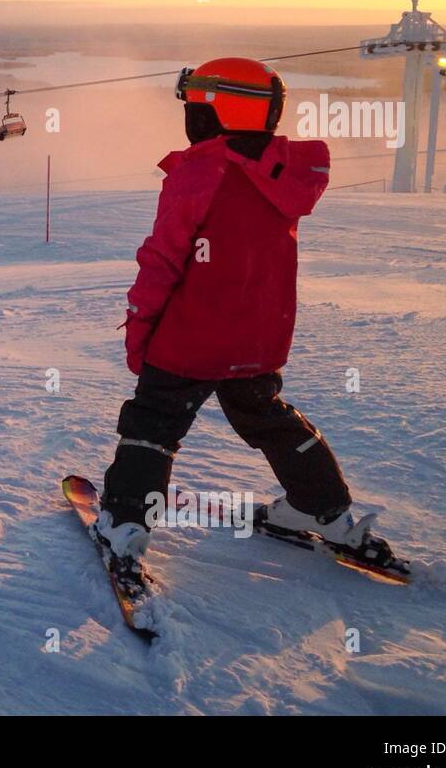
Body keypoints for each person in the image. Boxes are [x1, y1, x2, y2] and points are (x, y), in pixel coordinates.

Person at [94, 57, 375, 576]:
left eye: (195, 103)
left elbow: (163, 260)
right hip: (256, 340)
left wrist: (141, 330)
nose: (190, 115)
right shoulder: (283, 174)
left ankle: (126, 522)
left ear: (215, 110)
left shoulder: (200, 172)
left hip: (191, 339)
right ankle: (324, 509)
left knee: (154, 422)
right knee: (267, 416)